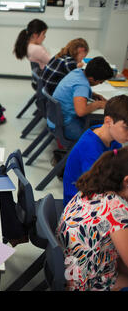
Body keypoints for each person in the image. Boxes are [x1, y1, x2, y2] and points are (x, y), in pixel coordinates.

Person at [57, 146, 128, 291]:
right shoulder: (117, 210)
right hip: (86, 283)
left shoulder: (91, 187)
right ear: (126, 181)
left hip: (69, 267)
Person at [63, 95, 128, 206]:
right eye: (126, 128)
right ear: (108, 121)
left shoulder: (111, 137)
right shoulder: (91, 149)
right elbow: (98, 188)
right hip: (83, 205)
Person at [48, 56, 114, 141]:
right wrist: (98, 104)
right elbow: (81, 112)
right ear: (91, 79)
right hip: (65, 126)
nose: (100, 84)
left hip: (54, 120)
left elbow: (73, 90)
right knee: (102, 136)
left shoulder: (77, 72)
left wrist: (92, 94)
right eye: (100, 82)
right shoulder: (82, 85)